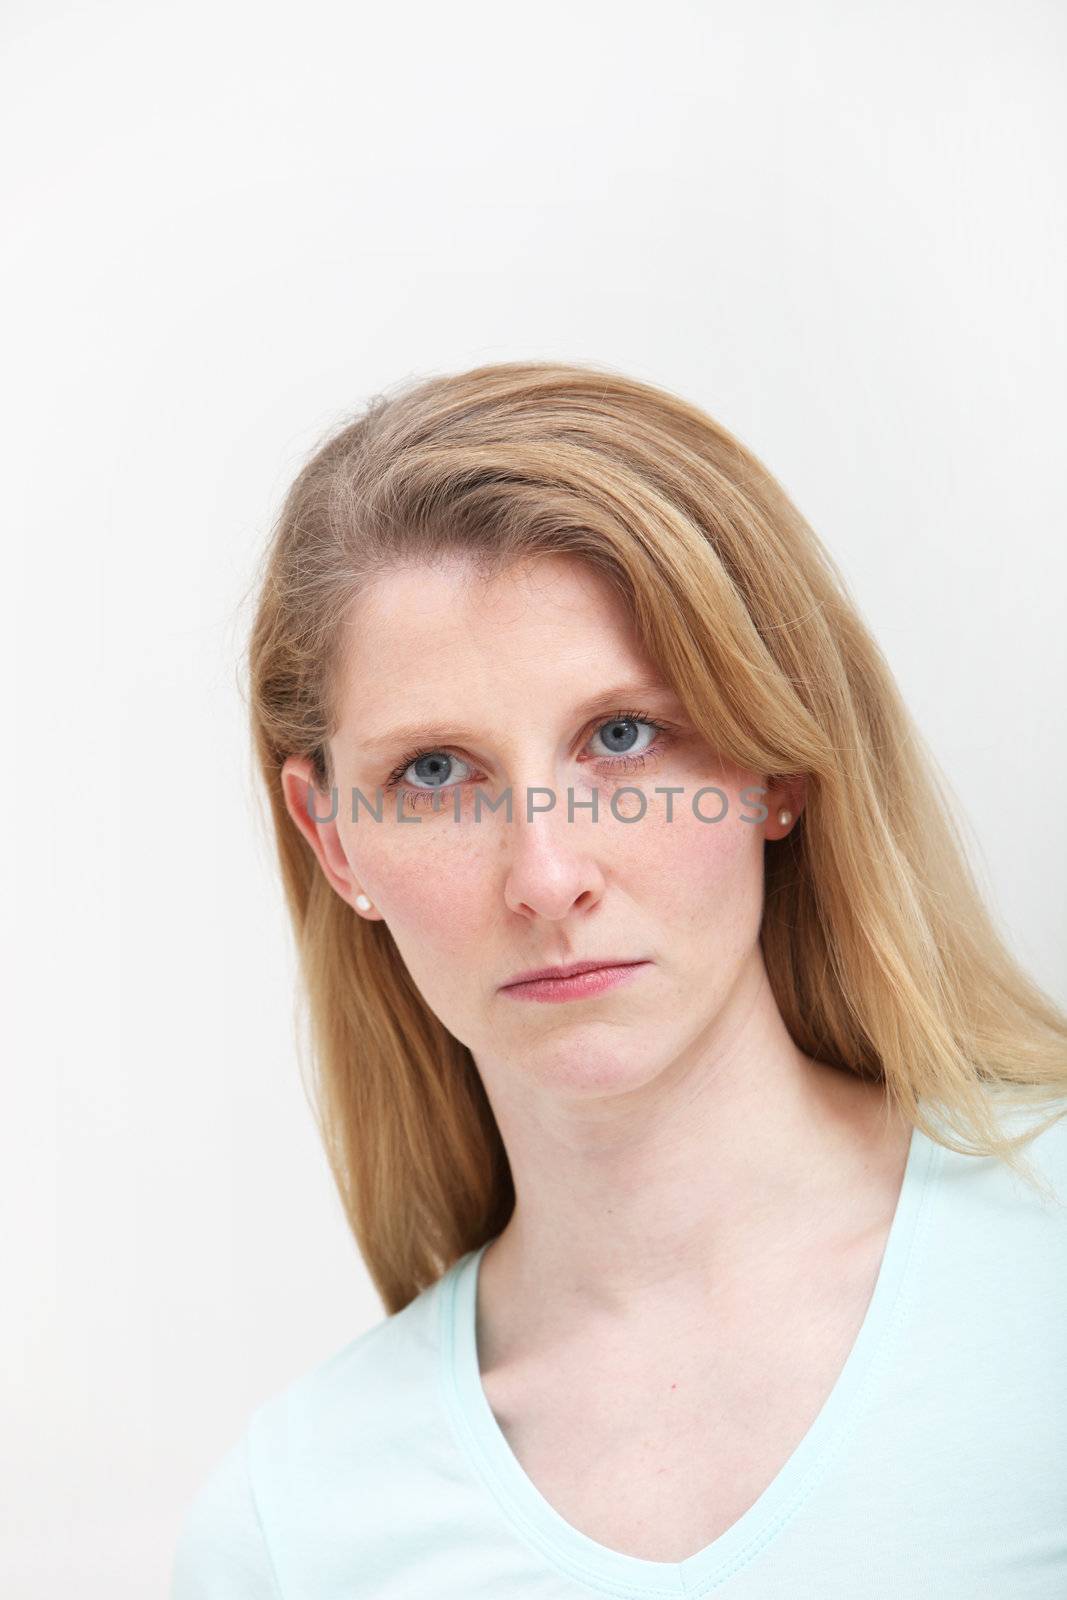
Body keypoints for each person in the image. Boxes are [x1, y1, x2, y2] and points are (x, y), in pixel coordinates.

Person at [171, 361, 1067, 1597]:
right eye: (436, 772)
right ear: (332, 839)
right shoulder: (298, 1527)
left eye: (622, 736)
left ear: (776, 762)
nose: (544, 876)